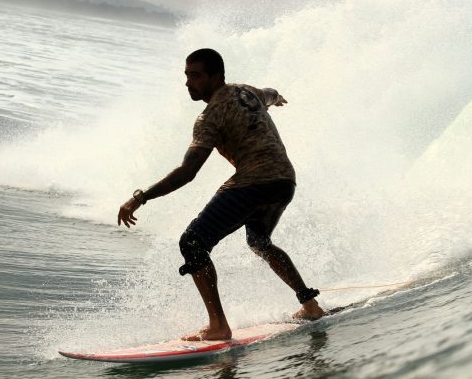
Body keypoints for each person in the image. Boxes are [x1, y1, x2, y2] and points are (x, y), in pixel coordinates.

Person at [118, 48, 324, 341]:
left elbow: (188, 172)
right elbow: (269, 92)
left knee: (192, 242)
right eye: (187, 76)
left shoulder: (210, 116)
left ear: (216, 76)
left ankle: (218, 326)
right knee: (259, 241)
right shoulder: (246, 91)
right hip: (284, 182)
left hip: (255, 182)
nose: (189, 83)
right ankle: (310, 305)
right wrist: (276, 98)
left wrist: (139, 197)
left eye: (196, 76)